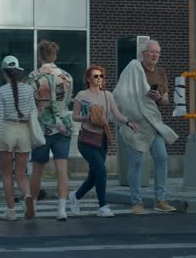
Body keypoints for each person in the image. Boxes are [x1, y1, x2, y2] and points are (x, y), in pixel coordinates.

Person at [113, 40, 178, 214]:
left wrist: (157, 97)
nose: (155, 55)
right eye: (152, 52)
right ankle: (136, 202)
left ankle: (160, 199)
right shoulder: (133, 68)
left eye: (158, 52)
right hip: (135, 123)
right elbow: (121, 93)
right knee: (137, 162)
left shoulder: (161, 72)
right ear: (144, 53)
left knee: (162, 158)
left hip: (152, 122)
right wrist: (126, 118)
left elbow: (165, 100)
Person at [71, 64, 139, 217]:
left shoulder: (108, 95)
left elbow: (116, 114)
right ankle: (103, 206)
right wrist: (87, 117)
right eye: (95, 76)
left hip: (102, 139)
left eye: (101, 76)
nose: (99, 79)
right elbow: (74, 116)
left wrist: (128, 122)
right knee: (101, 170)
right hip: (87, 140)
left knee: (94, 176)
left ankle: (75, 196)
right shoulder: (82, 95)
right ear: (88, 78)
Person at [28, 41, 74, 220]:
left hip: (41, 128)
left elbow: (30, 103)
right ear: (55, 56)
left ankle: (32, 206)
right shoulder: (66, 77)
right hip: (63, 126)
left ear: (40, 56)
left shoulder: (32, 78)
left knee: (37, 169)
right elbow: (67, 100)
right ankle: (61, 209)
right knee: (62, 169)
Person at [0, 56, 36, 221]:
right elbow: (33, 114)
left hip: (7, 131)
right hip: (23, 131)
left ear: (3, 72)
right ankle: (28, 195)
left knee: (7, 174)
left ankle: (11, 211)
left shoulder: (0, 91)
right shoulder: (29, 90)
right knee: (21, 173)